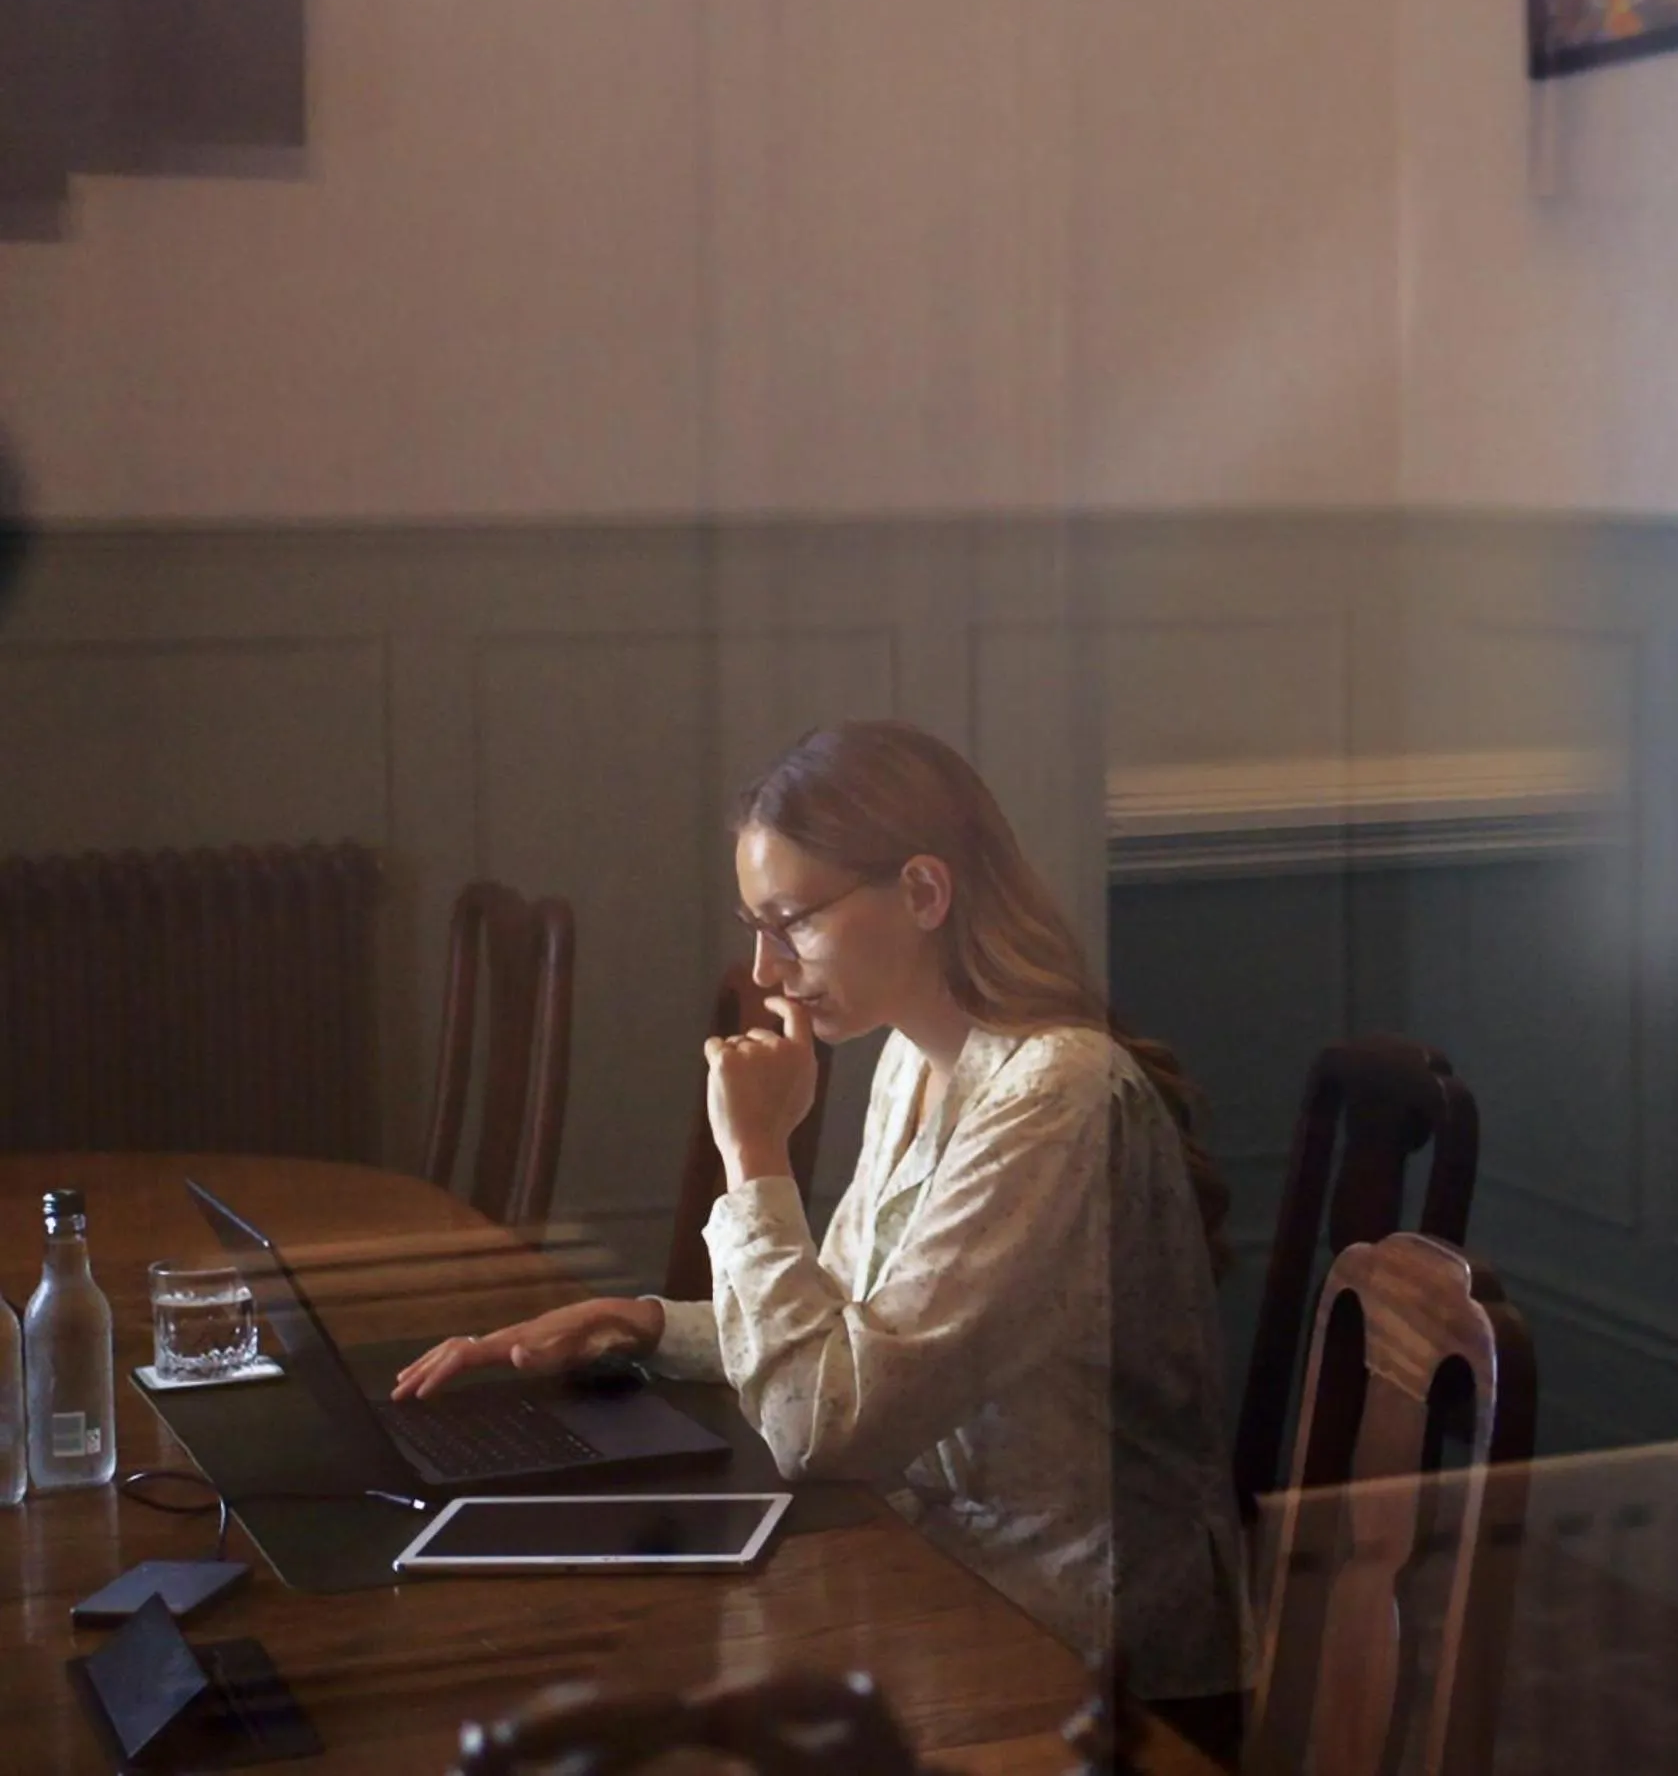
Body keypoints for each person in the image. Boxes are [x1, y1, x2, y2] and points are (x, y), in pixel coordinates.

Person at [395, 719, 1248, 1705]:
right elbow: (845, 1338)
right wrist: (647, 1323)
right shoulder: (913, 1058)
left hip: (1075, 1656)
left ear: (925, 891)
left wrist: (753, 1157)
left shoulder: (1054, 1094)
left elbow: (827, 1426)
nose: (763, 970)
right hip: (942, 1577)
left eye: (790, 919)